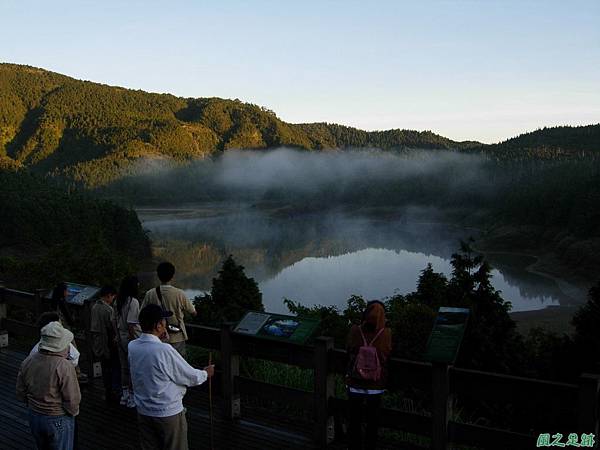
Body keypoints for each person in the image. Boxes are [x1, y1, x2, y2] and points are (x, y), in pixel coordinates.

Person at [129, 304, 214, 450]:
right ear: (158, 326)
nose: (166, 324)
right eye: (163, 321)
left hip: (143, 410)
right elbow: (190, 376)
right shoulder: (163, 350)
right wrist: (206, 373)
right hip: (167, 412)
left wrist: (163, 342)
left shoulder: (133, 346)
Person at [16, 321, 81, 450]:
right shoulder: (64, 366)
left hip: (34, 415)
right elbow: (72, 398)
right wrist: (71, 413)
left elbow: (20, 391)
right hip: (57, 417)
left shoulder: (29, 361)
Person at [345, 300, 392, 450]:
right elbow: (387, 353)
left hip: (355, 383)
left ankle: (354, 446)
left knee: (354, 418)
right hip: (376, 385)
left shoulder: (355, 330)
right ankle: (370, 446)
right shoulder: (386, 333)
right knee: (373, 420)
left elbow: (349, 349)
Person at [142, 261, 197, 358]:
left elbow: (142, 314)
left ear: (158, 276)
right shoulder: (179, 294)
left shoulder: (150, 294)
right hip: (177, 337)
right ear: (172, 276)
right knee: (178, 366)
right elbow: (194, 312)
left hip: (157, 337)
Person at [113, 275, 142, 408]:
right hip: (131, 338)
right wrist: (133, 341)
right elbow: (131, 324)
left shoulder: (118, 301)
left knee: (124, 367)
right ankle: (132, 397)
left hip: (120, 336)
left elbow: (114, 321)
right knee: (133, 368)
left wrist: (117, 336)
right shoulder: (133, 302)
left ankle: (124, 396)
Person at [90, 285, 119, 404]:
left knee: (104, 367)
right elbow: (112, 327)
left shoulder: (95, 307)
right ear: (108, 296)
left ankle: (108, 390)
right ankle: (113, 391)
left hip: (99, 343)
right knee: (112, 367)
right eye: (113, 297)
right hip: (107, 343)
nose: (113, 299)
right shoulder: (108, 310)